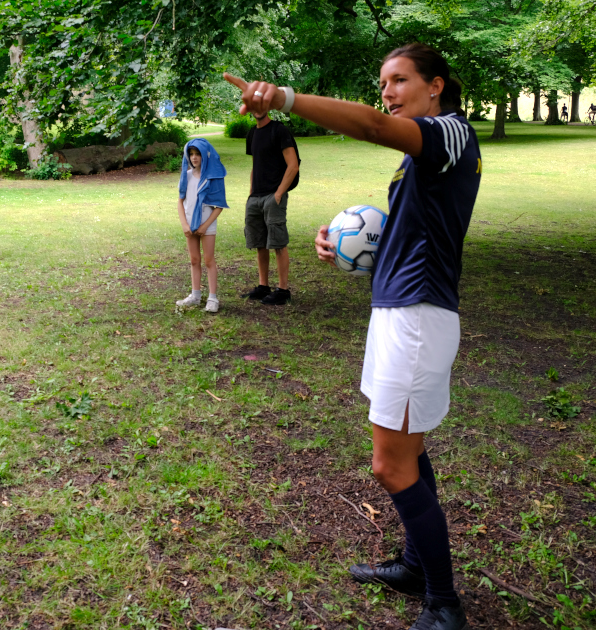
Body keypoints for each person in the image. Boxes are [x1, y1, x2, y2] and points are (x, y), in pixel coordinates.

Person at [225, 42, 480, 630]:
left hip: (418, 319)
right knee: (409, 453)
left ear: (436, 85)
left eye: (399, 80)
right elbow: (420, 233)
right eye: (383, 83)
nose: (387, 93)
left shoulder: (450, 133)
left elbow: (371, 127)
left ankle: (444, 604)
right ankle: (416, 566)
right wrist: (350, 248)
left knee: (390, 467)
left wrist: (284, 98)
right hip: (400, 311)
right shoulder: (429, 150)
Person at [239, 107, 300, 306]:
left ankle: (283, 290)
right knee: (259, 243)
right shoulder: (252, 133)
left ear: (268, 106)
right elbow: (256, 165)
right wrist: (251, 193)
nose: (258, 109)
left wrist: (279, 193)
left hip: (273, 196)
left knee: (278, 243)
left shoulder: (279, 130)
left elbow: (293, 165)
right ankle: (263, 286)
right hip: (256, 196)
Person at [175, 139, 228, 313]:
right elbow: (180, 201)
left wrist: (205, 226)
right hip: (190, 224)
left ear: (205, 155)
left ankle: (212, 298)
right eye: (191, 154)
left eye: (198, 154)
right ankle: (195, 295)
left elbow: (219, 206)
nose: (194, 157)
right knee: (194, 260)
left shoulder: (212, 177)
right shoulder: (187, 176)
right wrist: (184, 224)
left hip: (207, 225)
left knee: (208, 260)